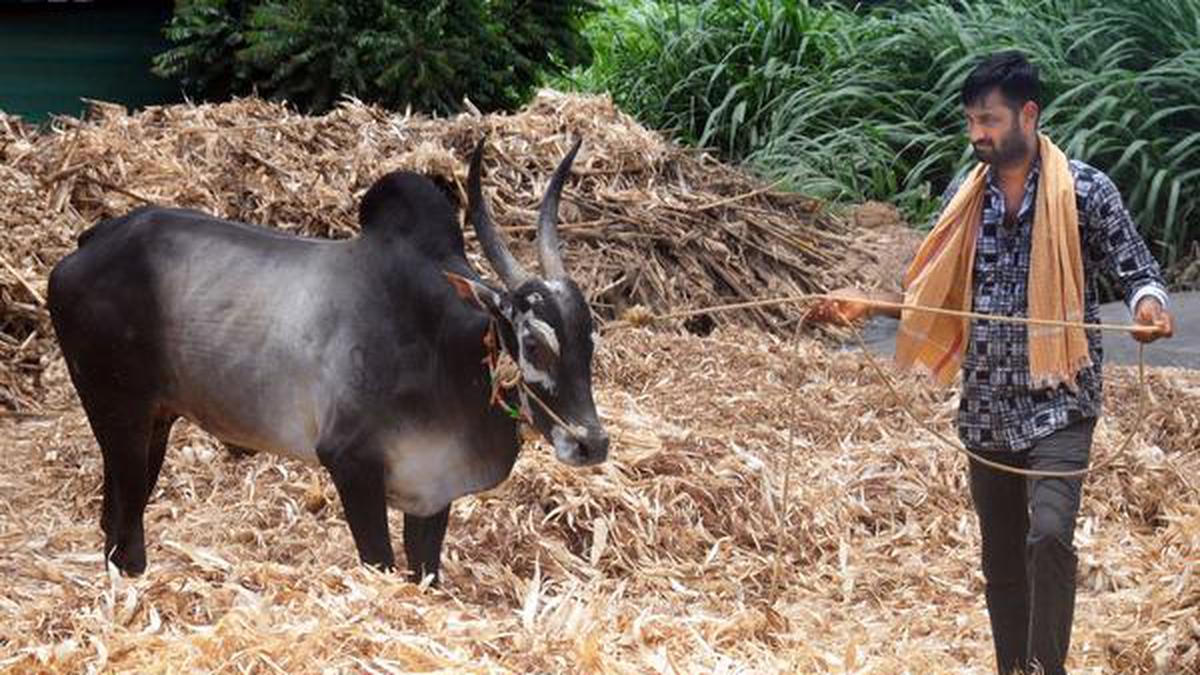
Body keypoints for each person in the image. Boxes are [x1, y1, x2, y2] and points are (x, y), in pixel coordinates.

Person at [811, 51, 1174, 674]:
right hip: (985, 408)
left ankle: (1045, 670)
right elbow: (932, 299)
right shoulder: (965, 197)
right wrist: (866, 306)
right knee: (1002, 561)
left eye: (989, 119)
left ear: (1028, 114)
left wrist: (1148, 309)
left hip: (1061, 397)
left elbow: (1138, 271)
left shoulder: (1085, 190)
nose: (977, 134)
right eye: (971, 121)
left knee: (1050, 536)